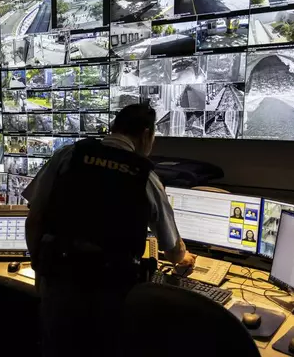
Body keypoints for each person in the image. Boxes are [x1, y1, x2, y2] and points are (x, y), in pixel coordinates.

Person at [22, 104, 195, 357]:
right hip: (109, 292)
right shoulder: (144, 175)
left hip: (58, 279)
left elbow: (34, 215)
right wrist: (184, 257)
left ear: (114, 127)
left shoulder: (70, 155)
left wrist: (39, 266)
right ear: (146, 135)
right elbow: (171, 249)